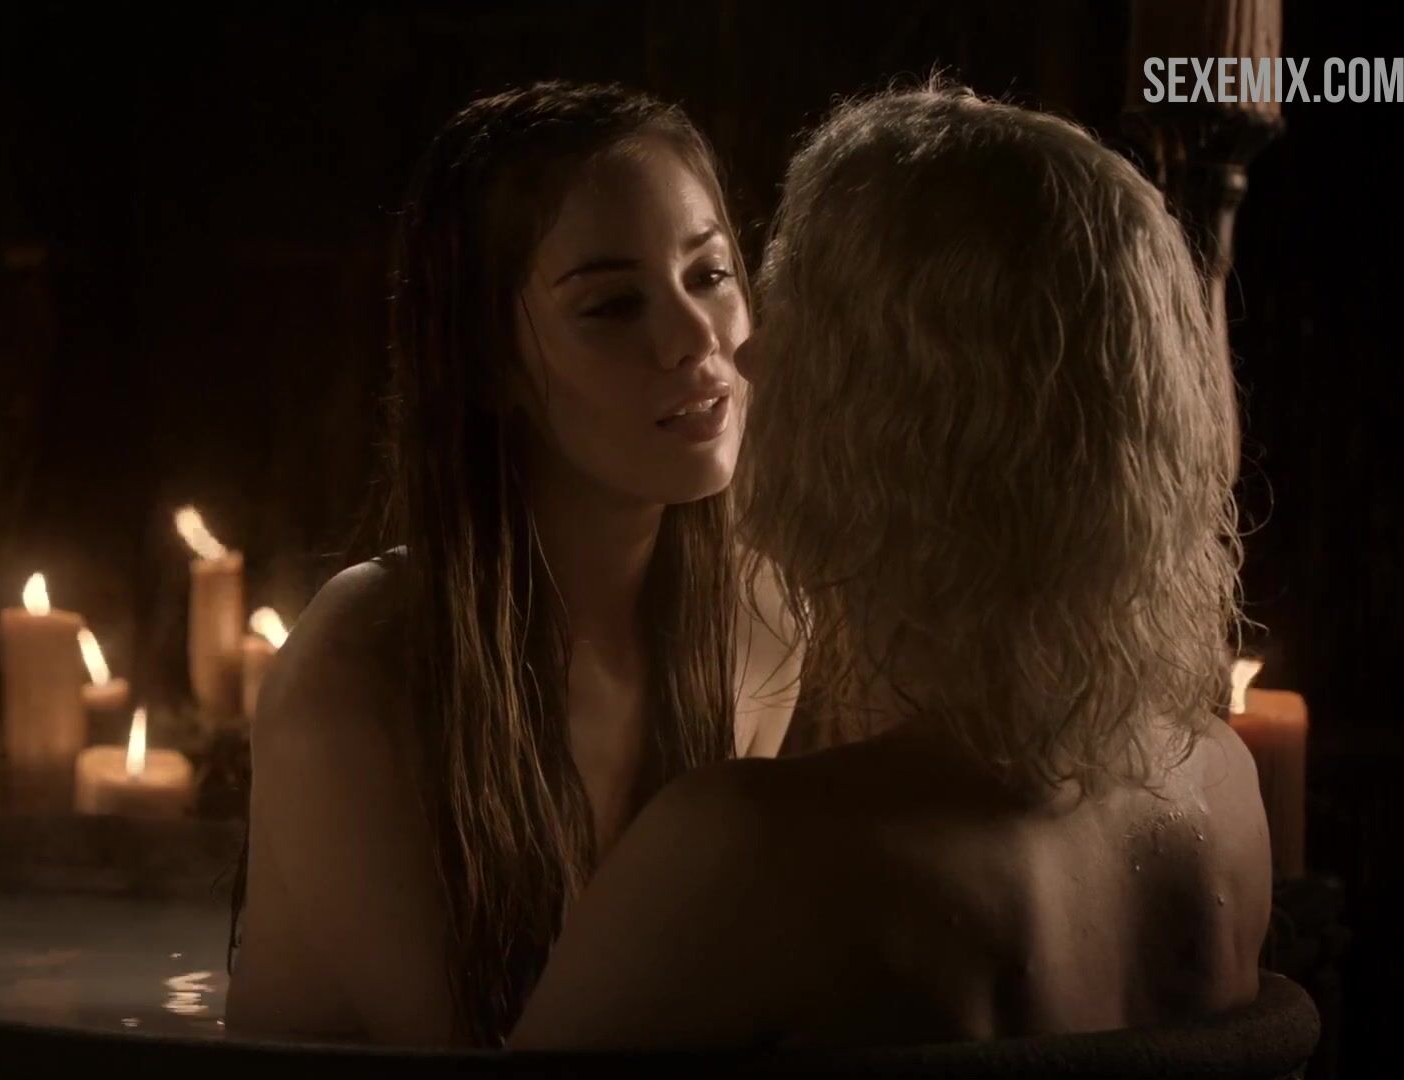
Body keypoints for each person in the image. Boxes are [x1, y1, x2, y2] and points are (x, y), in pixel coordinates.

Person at [513, 83, 1271, 1050]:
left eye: (798, 316)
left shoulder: (740, 854)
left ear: (896, 408)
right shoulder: (1221, 789)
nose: (746, 358)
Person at [225, 80, 793, 1046]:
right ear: (488, 361)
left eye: (708, 275)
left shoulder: (765, 620)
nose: (695, 338)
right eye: (613, 305)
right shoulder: (362, 669)